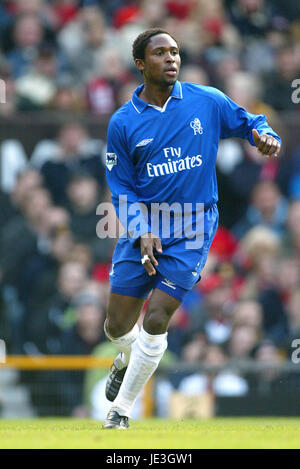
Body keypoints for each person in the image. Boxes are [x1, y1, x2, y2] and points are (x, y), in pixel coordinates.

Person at [102, 28, 281, 429]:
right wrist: (140, 227)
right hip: (146, 224)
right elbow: (121, 187)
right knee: (115, 326)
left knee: (157, 319)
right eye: (161, 53)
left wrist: (265, 135)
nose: (171, 59)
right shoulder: (123, 122)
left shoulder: (206, 100)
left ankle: (121, 411)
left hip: (195, 224)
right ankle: (126, 356)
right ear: (140, 64)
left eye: (176, 52)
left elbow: (249, 121)